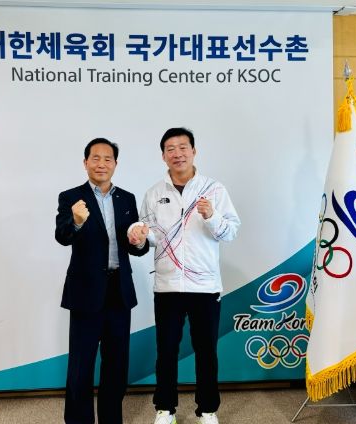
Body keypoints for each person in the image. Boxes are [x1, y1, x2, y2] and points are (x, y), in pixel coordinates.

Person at [128, 128, 240, 424]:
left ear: (193, 151)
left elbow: (230, 232)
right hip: (167, 285)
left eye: (182, 147)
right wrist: (140, 237)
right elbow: (150, 234)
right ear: (163, 155)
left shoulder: (214, 189)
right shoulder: (154, 193)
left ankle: (208, 410)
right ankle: (165, 409)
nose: (177, 154)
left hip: (205, 286)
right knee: (166, 350)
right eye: (170, 149)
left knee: (206, 351)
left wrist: (211, 216)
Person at [55, 137, 149, 424]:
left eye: (108, 159)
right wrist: (77, 221)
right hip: (85, 292)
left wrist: (139, 241)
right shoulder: (71, 197)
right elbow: (62, 236)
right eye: (95, 158)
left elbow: (136, 245)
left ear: (115, 164)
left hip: (119, 291)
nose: (101, 164)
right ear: (85, 163)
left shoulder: (127, 199)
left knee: (116, 365)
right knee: (81, 365)